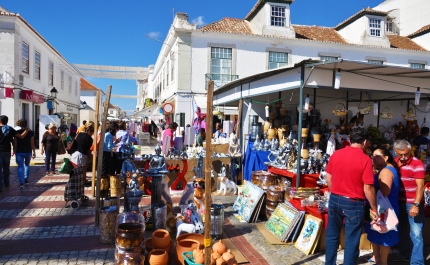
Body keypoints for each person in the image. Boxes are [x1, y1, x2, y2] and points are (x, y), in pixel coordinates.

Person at [325, 128, 378, 265]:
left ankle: (329, 263)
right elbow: (368, 187)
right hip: (353, 203)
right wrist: (373, 208)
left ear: (349, 139)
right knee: (352, 239)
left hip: (335, 198)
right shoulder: (365, 159)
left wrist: (335, 191)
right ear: (365, 142)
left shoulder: (336, 154)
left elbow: (328, 178)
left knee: (332, 236)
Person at [393, 139, 425, 264]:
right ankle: (405, 253)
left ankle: (417, 262)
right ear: (395, 152)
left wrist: (416, 204)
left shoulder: (417, 164)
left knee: (416, 234)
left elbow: (420, 186)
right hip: (398, 202)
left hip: (412, 203)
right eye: (400, 154)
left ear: (410, 150)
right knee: (401, 229)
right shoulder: (394, 162)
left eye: (406, 154)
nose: (404, 157)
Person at [365, 148, 400, 265]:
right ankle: (377, 258)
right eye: (372, 155)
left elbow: (385, 191)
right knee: (376, 231)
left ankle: (382, 262)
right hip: (381, 207)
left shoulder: (386, 171)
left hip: (385, 208)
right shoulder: (384, 169)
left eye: (377, 156)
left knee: (384, 234)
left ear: (386, 158)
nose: (373, 158)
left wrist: (371, 189)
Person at [0, 115, 29, 191]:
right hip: (7, 151)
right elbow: (20, 136)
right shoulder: (9, 129)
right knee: (6, 168)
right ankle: (7, 183)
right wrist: (26, 130)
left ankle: (0, 186)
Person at [13, 119, 36, 190]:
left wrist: (14, 150)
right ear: (26, 124)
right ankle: (26, 179)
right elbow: (32, 142)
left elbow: (15, 143)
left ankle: (21, 183)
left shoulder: (16, 132)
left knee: (20, 167)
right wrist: (34, 151)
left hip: (19, 151)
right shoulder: (30, 132)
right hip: (28, 151)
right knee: (27, 165)